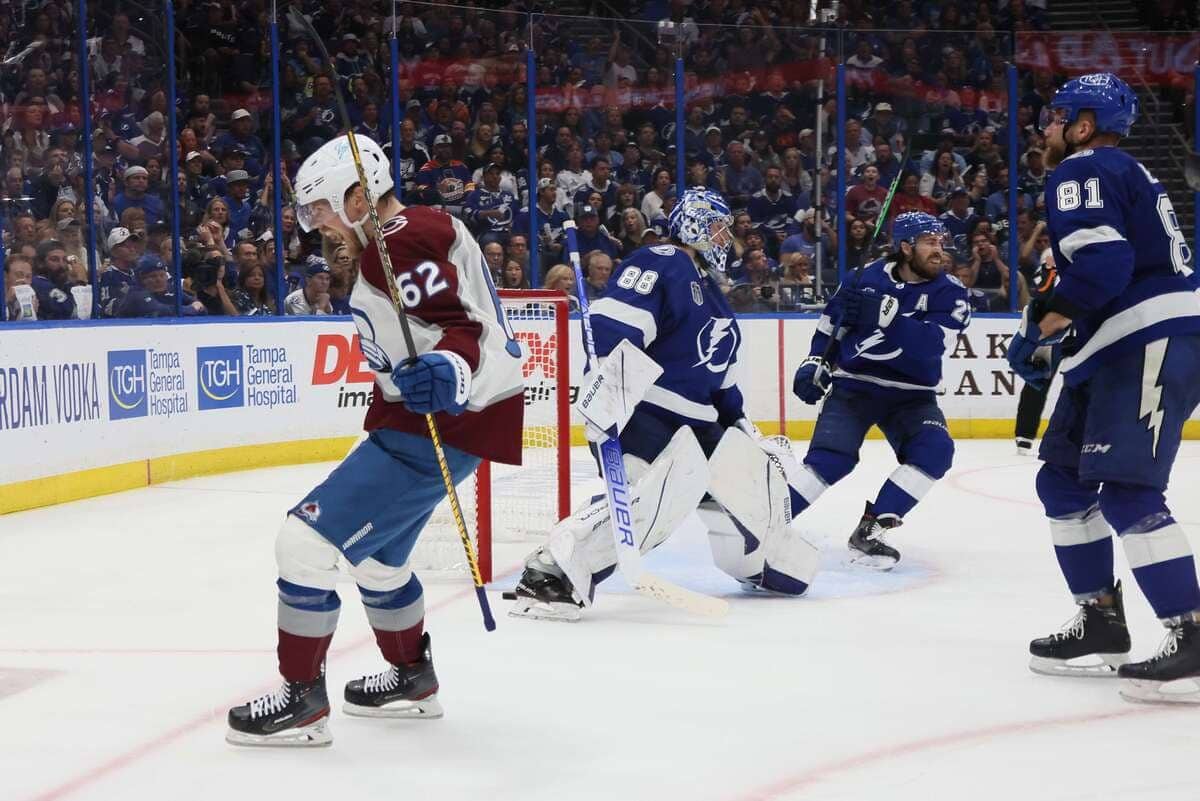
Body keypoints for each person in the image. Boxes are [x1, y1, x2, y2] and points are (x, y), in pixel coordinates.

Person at [226, 134, 525, 746]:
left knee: (302, 543)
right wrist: (449, 370)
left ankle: (301, 704)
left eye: (321, 211)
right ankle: (413, 681)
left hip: (436, 428)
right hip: (437, 426)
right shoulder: (399, 240)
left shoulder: (400, 240)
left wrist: (451, 369)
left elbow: (461, 327)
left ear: (358, 198)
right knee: (377, 561)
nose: (316, 230)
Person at [508, 188, 820, 622]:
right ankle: (554, 570)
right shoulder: (663, 260)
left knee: (758, 481)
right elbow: (614, 325)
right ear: (693, 224)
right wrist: (608, 389)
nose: (726, 237)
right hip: (650, 415)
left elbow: (723, 386)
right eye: (718, 226)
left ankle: (763, 563)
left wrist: (746, 430)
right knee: (654, 497)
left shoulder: (712, 291)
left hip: (704, 424)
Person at [1005, 74, 1200, 702]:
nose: (1047, 128)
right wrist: (1061, 334)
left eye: (1057, 117)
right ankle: (1101, 620)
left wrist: (1041, 327)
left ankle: (1192, 636)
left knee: (1127, 490)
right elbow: (1108, 270)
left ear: (1085, 125)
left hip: (1148, 337)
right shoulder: (1116, 173)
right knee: (1061, 480)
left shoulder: (1083, 168)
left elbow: (1105, 267)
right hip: (1114, 345)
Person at [792, 212, 970, 569]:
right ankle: (764, 518)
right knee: (831, 459)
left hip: (912, 395)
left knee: (935, 451)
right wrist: (816, 361)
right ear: (906, 248)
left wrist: (888, 317)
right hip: (855, 386)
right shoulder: (863, 278)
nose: (940, 250)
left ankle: (870, 530)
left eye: (940, 242)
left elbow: (932, 344)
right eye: (929, 242)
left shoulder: (951, 292)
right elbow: (831, 326)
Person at [116, 255, 206, 317]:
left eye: (162, 275)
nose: (159, 279)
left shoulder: (170, 289)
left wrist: (197, 305)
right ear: (142, 279)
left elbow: (200, 306)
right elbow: (159, 310)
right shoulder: (136, 293)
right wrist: (192, 309)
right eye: (153, 276)